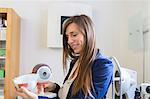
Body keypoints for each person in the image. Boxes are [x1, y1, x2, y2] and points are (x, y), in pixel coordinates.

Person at [16, 14, 113, 99]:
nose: (69, 41)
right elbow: (68, 95)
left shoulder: (103, 65)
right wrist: (54, 87)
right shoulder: (75, 62)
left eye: (74, 35)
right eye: (67, 37)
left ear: (89, 35)